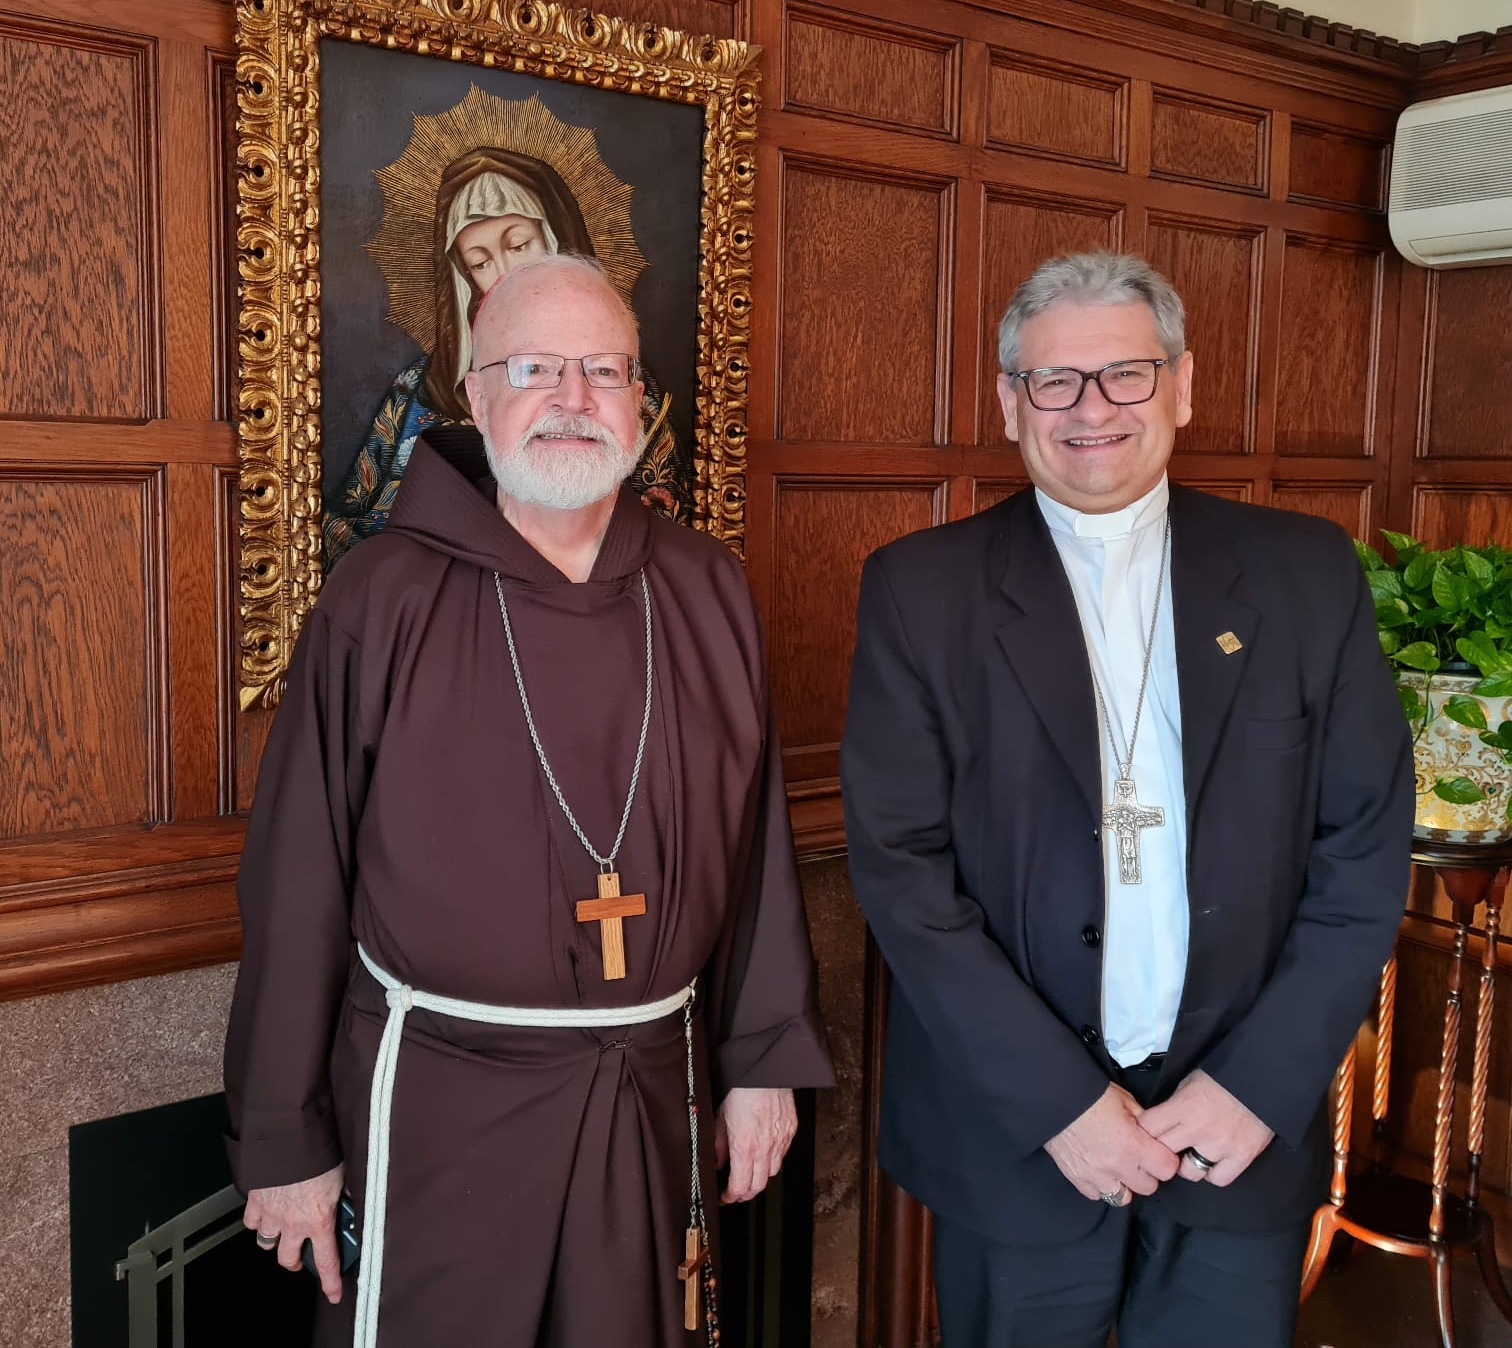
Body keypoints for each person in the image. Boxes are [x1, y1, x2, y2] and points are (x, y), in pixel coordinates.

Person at [226, 253, 832, 1347]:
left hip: (651, 1087)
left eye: (606, 369)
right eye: (537, 367)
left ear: (641, 400)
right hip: (440, 1103)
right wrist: (283, 1140)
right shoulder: (384, 595)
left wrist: (765, 1064)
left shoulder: (704, 588)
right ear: (474, 389)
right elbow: (299, 879)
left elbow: (758, 853)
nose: (574, 399)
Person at [841, 250, 1413, 1346]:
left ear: (1183, 386)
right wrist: (1058, 1103)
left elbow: (1364, 847)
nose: (1091, 409)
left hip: (1236, 1134)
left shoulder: (1304, 574)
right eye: (1055, 381)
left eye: (1126, 375)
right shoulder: (921, 591)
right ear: (1011, 402)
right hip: (1018, 1140)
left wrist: (1257, 1084)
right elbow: (901, 873)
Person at [325, 147, 691, 567]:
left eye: (519, 245)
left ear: (557, 237)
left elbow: (664, 513)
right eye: (480, 262)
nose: (504, 272)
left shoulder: (627, 393)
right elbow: (350, 526)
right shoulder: (418, 391)